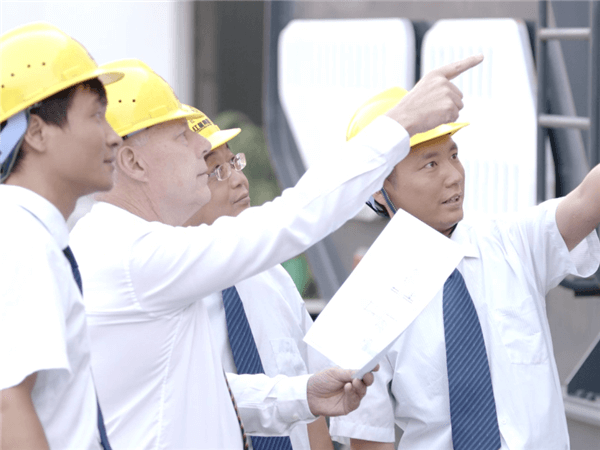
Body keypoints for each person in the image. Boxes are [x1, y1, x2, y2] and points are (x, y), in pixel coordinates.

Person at [69, 56, 482, 449]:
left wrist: (302, 394)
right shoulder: (130, 254)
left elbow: (198, 388)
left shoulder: (121, 246)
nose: (200, 145)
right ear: (133, 163)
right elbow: (292, 218)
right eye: (181, 136)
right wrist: (400, 123)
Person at [329, 87, 600, 450]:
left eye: (454, 156)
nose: (454, 175)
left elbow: (586, 200)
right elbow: (369, 439)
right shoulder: (363, 303)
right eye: (430, 164)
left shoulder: (512, 243)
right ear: (378, 188)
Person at [0, 23, 124, 449]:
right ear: (36, 133)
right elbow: (7, 405)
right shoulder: (21, 239)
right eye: (96, 115)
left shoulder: (28, 234)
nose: (114, 137)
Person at [185, 110, 335, 450]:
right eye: (217, 171)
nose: (239, 180)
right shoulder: (171, 297)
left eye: (234, 163)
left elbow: (310, 404)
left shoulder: (272, 276)